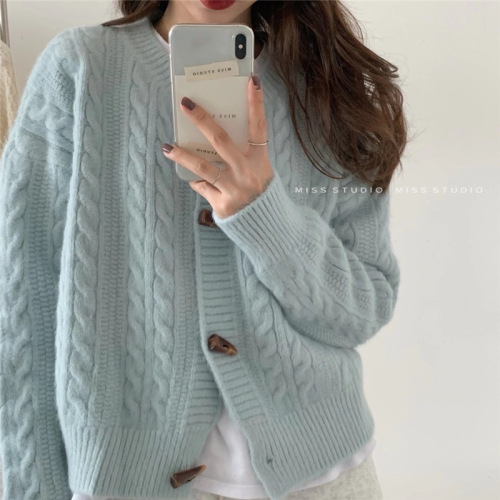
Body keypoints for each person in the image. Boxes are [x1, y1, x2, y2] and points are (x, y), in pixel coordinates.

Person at [0, 1, 408, 499]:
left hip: (325, 477)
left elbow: (362, 310)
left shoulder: (325, 87)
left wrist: (264, 214)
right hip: (127, 479)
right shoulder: (80, 69)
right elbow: (22, 309)